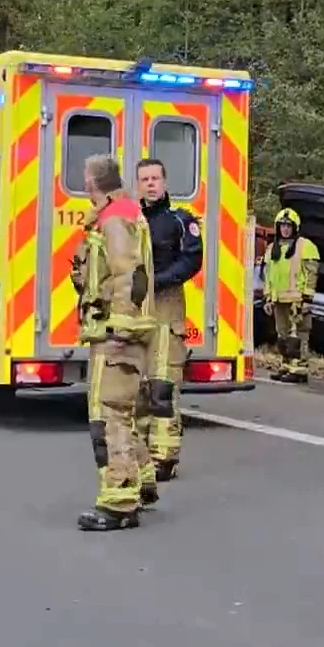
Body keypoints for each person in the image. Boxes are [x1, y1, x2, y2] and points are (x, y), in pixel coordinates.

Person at [74, 153, 157, 531]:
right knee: (119, 412)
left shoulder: (116, 218)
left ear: (93, 182)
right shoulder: (116, 214)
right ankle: (137, 486)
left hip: (116, 335)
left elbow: (129, 274)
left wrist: (121, 327)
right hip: (112, 331)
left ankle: (118, 504)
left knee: (110, 416)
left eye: (85, 177)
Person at [135, 158, 203, 489]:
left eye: (155, 178)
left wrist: (158, 280)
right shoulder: (131, 222)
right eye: (144, 179)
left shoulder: (180, 220)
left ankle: (165, 457)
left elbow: (192, 260)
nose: (150, 184)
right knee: (139, 386)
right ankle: (143, 452)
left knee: (163, 385)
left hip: (166, 306)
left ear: (164, 182)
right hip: (135, 309)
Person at [261, 207, 319, 384]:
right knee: (282, 336)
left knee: (298, 336)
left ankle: (299, 369)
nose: (285, 229)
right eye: (282, 225)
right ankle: (286, 365)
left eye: (289, 226)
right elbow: (268, 276)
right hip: (279, 301)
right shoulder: (272, 249)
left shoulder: (305, 246)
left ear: (295, 227)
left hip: (297, 301)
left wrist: (307, 299)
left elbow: (311, 274)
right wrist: (268, 298)